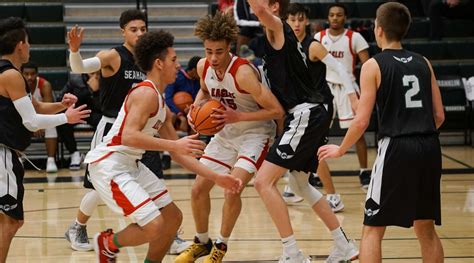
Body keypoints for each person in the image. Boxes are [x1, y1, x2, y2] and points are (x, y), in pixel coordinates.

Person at [84, 30, 242, 263]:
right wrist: (174, 143)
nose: (178, 66)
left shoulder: (161, 103)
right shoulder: (145, 93)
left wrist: (217, 178)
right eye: (173, 60)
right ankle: (107, 243)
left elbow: (178, 154)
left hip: (131, 165)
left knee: (172, 219)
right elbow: (128, 136)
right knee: (154, 225)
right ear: (159, 63)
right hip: (111, 165)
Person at [318, 2, 445, 262]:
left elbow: (361, 121)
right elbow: (440, 116)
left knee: (373, 229)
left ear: (378, 30)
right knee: (426, 228)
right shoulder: (424, 62)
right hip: (429, 146)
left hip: (396, 148)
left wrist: (341, 148)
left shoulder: (373, 65)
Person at [65, 9, 192, 255]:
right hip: (113, 127)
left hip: (144, 128)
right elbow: (80, 67)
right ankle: (78, 226)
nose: (139, 33)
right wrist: (74, 51)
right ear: (123, 31)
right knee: (95, 188)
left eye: (143, 29)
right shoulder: (114, 56)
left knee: (154, 177)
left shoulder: (151, 61)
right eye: (134, 29)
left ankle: (168, 231)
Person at [248, 0, 359, 262]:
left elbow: (261, 11)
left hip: (307, 112)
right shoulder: (277, 32)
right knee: (300, 183)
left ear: (275, 6)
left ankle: (292, 253)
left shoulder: (277, 26)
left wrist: (352, 93)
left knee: (263, 182)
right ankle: (345, 245)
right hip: (309, 112)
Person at [174, 12, 284, 263]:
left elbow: (277, 110)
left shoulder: (243, 73)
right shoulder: (203, 67)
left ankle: (220, 247)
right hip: (225, 134)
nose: (213, 58)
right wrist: (195, 109)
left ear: (230, 47)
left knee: (232, 190)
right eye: (209, 51)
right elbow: (204, 91)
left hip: (255, 134)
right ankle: (202, 242)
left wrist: (238, 117)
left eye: (219, 52)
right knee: (198, 190)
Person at [0, 16, 90, 262]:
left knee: (8, 221)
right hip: (3, 156)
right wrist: (67, 119)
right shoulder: (10, 75)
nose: (29, 47)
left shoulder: (11, 74)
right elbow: (31, 122)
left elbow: (35, 106)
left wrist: (62, 105)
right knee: (10, 221)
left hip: (7, 155)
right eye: (28, 42)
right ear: (20, 44)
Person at [314, 3, 372, 189]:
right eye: (332, 15)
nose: (335, 18)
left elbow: (368, 66)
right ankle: (316, 172)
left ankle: (364, 171)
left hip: (348, 89)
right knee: (318, 134)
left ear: (345, 17)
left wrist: (363, 91)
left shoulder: (355, 37)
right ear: (328, 17)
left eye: (339, 15)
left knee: (357, 132)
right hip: (325, 88)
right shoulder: (319, 37)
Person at [56, 71, 102, 170]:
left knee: (102, 122)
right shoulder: (74, 80)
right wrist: (89, 89)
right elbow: (61, 99)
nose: (94, 73)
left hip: (93, 112)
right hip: (76, 110)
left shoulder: (105, 80)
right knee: (62, 120)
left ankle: (95, 154)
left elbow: (103, 106)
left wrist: (96, 92)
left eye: (96, 71)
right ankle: (74, 153)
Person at [20, 62, 60, 173]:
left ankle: (51, 160)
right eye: (26, 74)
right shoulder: (17, 85)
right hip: (23, 118)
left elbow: (49, 110)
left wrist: (39, 124)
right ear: (21, 74)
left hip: (41, 117)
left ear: (37, 74)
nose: (29, 77)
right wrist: (33, 124)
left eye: (32, 74)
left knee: (51, 125)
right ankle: (18, 158)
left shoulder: (44, 85)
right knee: (15, 125)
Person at [164, 56, 201, 133]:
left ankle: (192, 143)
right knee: (171, 116)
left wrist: (190, 109)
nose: (202, 73)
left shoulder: (199, 81)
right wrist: (179, 114)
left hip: (188, 110)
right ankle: (169, 142)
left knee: (195, 119)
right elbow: (168, 98)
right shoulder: (177, 76)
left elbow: (198, 98)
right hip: (174, 110)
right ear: (194, 70)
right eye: (200, 70)